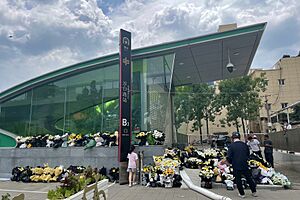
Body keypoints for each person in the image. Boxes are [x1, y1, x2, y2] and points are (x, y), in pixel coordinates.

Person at [227, 132, 257, 198]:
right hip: (244, 164)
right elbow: (248, 154)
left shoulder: (231, 146)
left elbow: (229, 157)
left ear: (232, 138)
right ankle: (254, 191)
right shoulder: (244, 145)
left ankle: (242, 194)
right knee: (249, 178)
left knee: (238, 179)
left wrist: (230, 162)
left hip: (236, 165)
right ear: (239, 137)